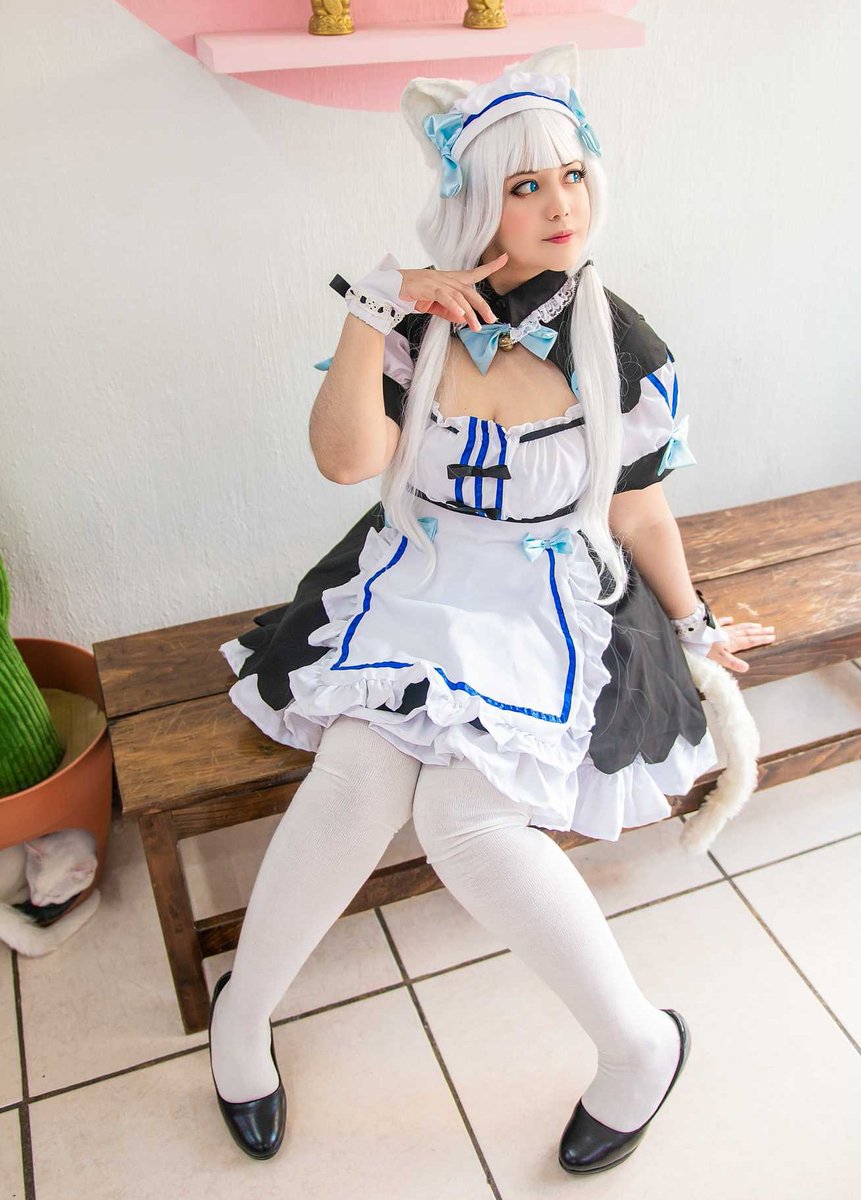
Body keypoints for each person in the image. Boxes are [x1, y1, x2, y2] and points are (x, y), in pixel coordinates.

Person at [208, 41, 776, 1173]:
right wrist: (378, 300)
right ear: (477, 203)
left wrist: (694, 624)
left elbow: (639, 511)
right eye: (526, 185)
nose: (562, 205)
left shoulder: (620, 343)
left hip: (552, 598)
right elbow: (344, 461)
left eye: (572, 174)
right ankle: (243, 1014)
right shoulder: (415, 322)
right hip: (418, 577)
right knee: (356, 774)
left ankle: (640, 1047)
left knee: (463, 820)